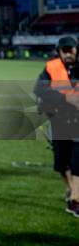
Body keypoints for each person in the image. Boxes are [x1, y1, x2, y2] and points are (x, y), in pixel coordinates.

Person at [34, 35, 79, 217]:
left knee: (77, 161)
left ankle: (75, 200)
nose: (68, 54)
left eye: (71, 50)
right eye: (64, 51)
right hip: (58, 119)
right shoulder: (51, 67)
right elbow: (39, 89)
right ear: (59, 52)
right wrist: (65, 98)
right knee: (61, 163)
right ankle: (70, 190)